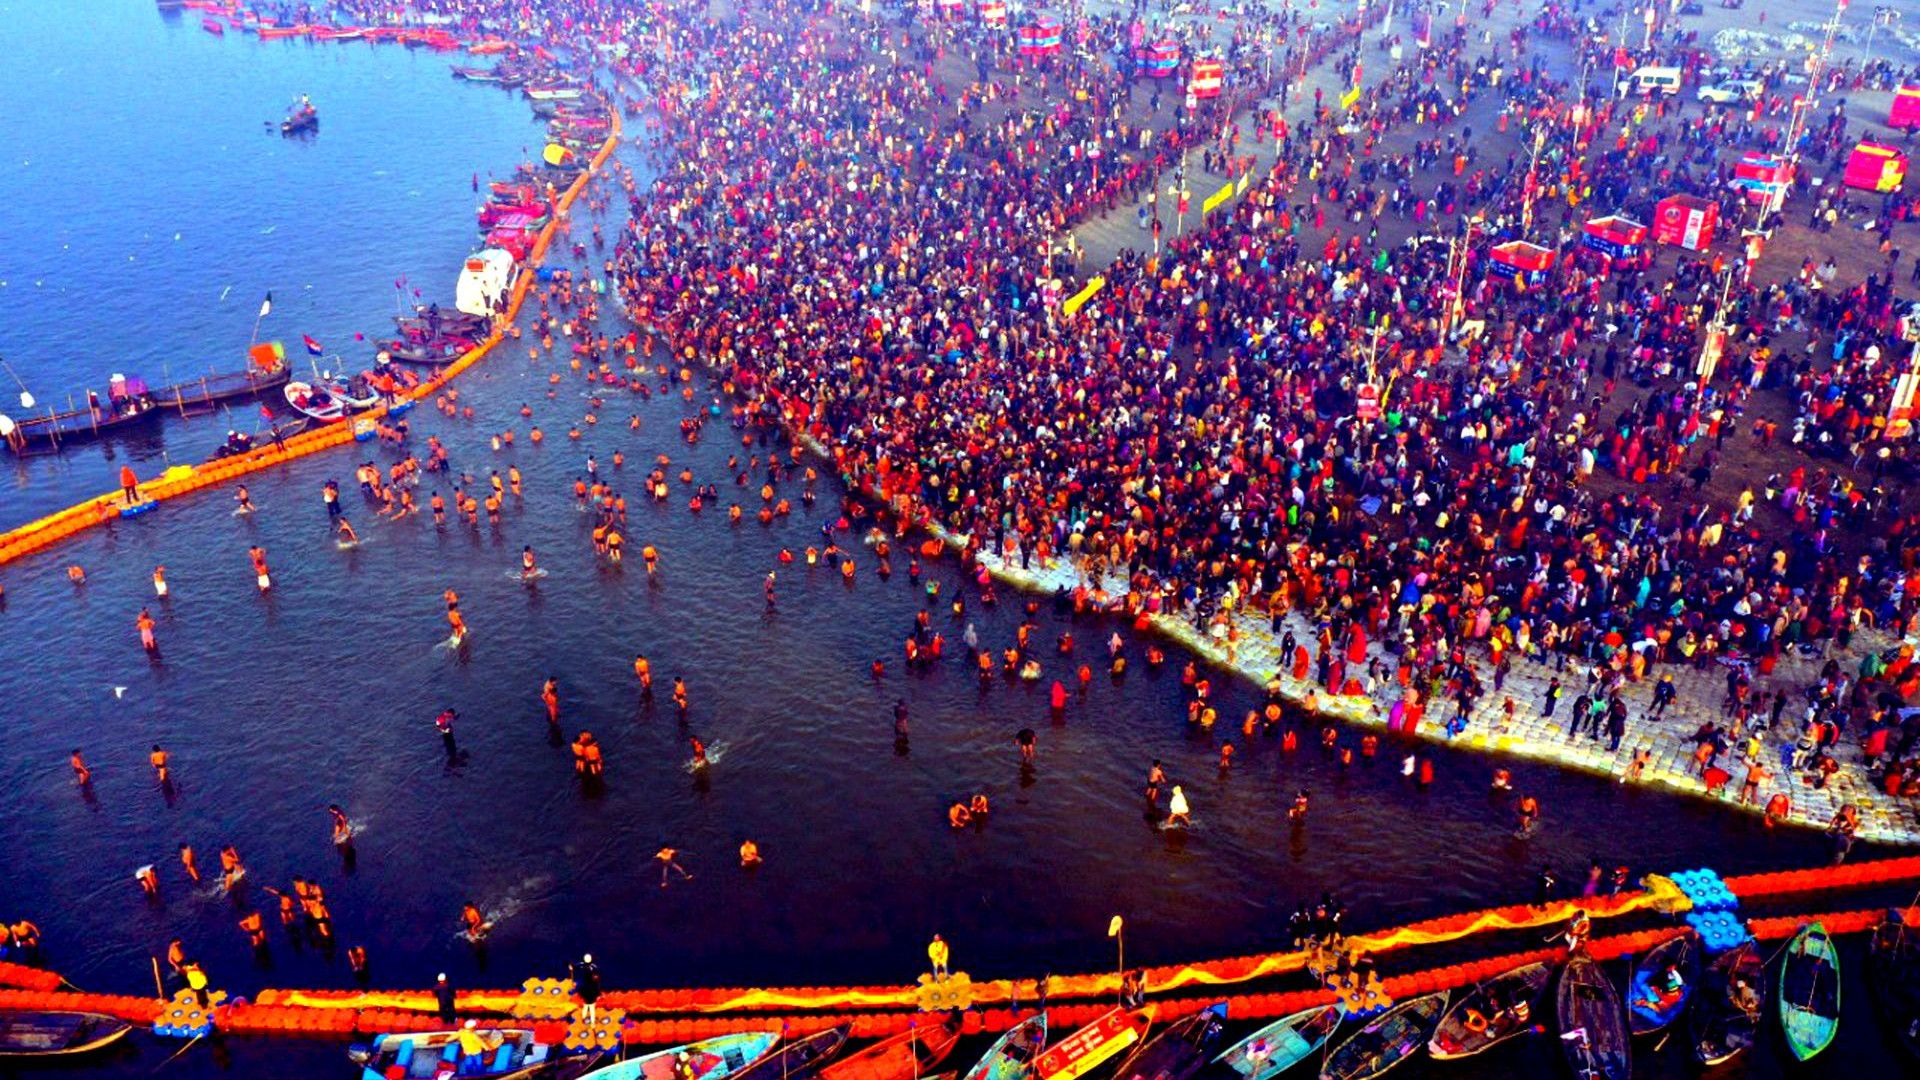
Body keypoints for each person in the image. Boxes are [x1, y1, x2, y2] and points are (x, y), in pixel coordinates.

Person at [571, 954, 602, 1023]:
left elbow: (575, 966)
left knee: (586, 1005)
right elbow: (596, 978)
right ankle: (592, 1022)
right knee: (591, 1007)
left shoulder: (582, 965)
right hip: (590, 989)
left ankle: (583, 1018)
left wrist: (572, 967)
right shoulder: (593, 967)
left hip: (584, 989)